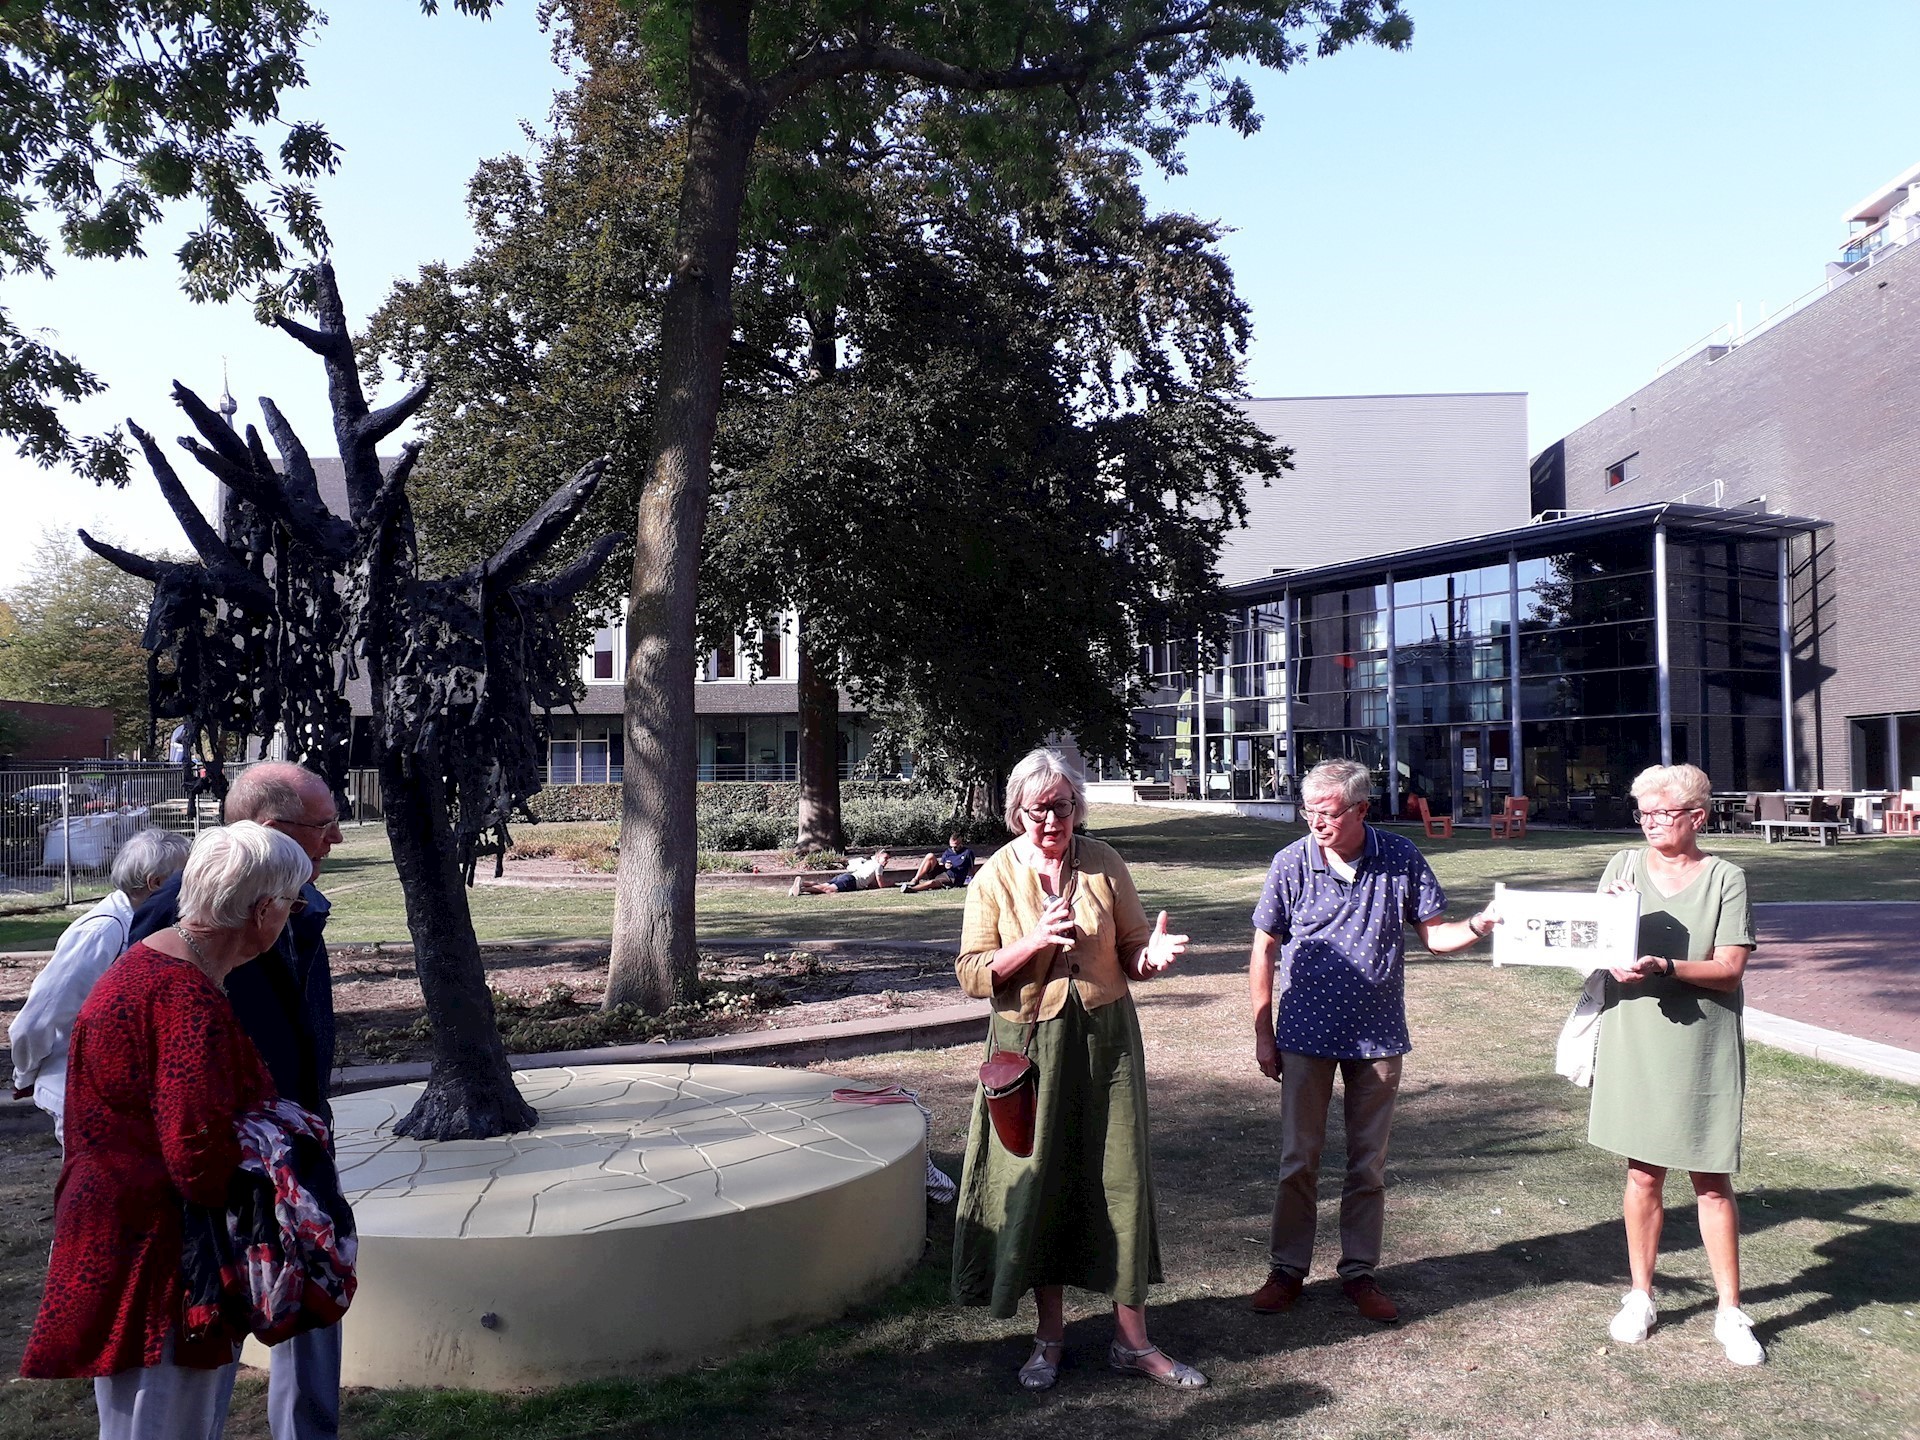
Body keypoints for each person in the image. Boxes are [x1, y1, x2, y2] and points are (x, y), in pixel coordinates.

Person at [20, 822, 315, 1438]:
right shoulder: (182, 1000)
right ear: (263, 911)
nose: (290, 917)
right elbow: (197, 1157)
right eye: (291, 903)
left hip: (134, 1230)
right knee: (162, 1424)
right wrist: (280, 1158)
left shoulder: (155, 965)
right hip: (159, 1252)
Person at [951, 748, 1204, 1392]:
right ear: (1015, 815)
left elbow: (1129, 950)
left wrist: (1152, 958)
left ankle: (1133, 1342)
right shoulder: (995, 878)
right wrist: (1034, 940)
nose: (1049, 823)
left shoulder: (1105, 864)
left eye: (1060, 809)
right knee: (1041, 1185)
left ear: (1076, 809)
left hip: (1106, 1042)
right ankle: (1049, 1339)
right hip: (1028, 1049)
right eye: (1035, 812)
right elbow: (973, 975)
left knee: (1120, 1178)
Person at [128, 761, 344, 1440]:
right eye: (324, 826)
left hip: (289, 1152)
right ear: (271, 830)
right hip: (228, 1177)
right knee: (210, 1338)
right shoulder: (179, 941)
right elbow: (174, 1090)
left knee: (312, 1303)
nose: (335, 840)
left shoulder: (295, 906)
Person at [1247, 758, 1494, 1323]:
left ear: (1361, 809)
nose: (1316, 822)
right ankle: (1286, 1270)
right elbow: (1263, 949)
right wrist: (1264, 1030)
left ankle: (1359, 1273)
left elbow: (1436, 936)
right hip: (1304, 1035)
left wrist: (1480, 925)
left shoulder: (1400, 857)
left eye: (1328, 813)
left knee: (1368, 1165)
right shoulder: (1291, 863)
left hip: (1378, 1038)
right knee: (1297, 1160)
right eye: (1309, 811)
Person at [1587, 763, 1765, 1366]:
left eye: (1664, 813)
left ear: (1697, 817)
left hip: (1701, 1043)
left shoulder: (1726, 878)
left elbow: (1729, 969)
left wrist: (1665, 966)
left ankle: (1730, 1310)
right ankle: (1641, 1295)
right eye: (1644, 813)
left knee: (1711, 1178)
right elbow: (1600, 938)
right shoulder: (1622, 865)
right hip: (1635, 1032)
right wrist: (1608, 955)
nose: (1652, 824)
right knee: (1643, 1173)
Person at [10, 828, 191, 1145]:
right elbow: (40, 1015)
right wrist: (25, 1072)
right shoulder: (104, 930)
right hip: (79, 1090)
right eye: (184, 878)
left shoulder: (143, 923)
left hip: (117, 1090)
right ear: (156, 883)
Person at [788, 849, 891, 896]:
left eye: (888, 859)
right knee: (827, 889)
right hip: (851, 882)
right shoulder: (878, 866)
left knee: (823, 885)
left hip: (847, 877)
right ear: (878, 857)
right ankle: (801, 889)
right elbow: (880, 884)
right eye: (885, 858)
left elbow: (870, 881)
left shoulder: (870, 862)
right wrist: (891, 884)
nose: (886, 861)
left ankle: (802, 883)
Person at [899, 831, 975, 893]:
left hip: (952, 879)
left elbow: (971, 868)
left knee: (932, 883)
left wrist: (974, 880)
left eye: (955, 846)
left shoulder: (967, 853)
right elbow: (941, 865)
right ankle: (915, 880)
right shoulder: (948, 851)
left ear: (960, 843)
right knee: (930, 856)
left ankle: (911, 889)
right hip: (943, 873)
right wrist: (945, 866)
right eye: (951, 846)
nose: (953, 848)